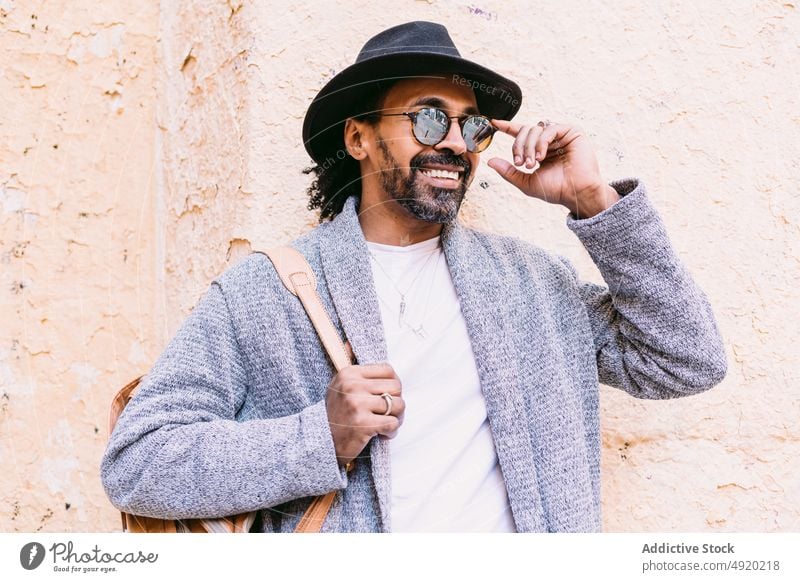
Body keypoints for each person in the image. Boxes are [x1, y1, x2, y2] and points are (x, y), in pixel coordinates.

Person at [101, 21, 727, 532]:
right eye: (429, 119)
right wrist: (316, 437)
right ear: (358, 138)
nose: (456, 141)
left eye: (472, 125)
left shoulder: (534, 285)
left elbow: (687, 360)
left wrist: (593, 201)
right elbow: (137, 462)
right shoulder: (266, 291)